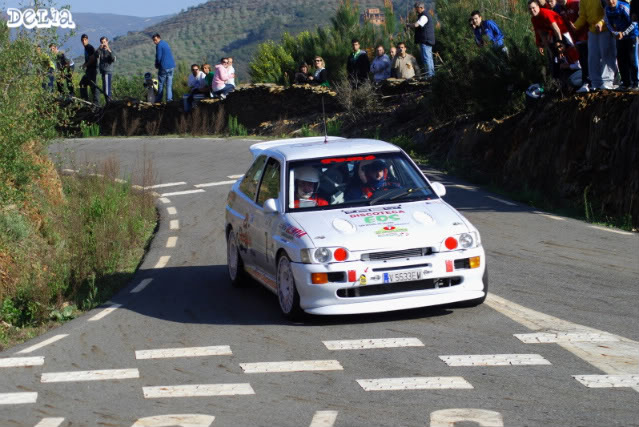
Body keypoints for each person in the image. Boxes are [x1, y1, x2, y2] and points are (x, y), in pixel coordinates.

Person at [574, 0, 618, 90]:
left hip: (606, 29)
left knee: (607, 54)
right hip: (592, 31)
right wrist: (575, 26)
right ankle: (595, 82)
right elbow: (583, 16)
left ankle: (608, 81)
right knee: (592, 57)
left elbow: (609, 11)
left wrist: (601, 23)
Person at [555, 0, 590, 92]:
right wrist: (574, 41)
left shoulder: (575, 3)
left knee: (589, 59)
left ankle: (593, 82)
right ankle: (586, 82)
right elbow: (567, 27)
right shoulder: (560, 9)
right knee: (583, 59)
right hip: (576, 38)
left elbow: (585, 18)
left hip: (587, 35)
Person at [604, 0, 638, 91]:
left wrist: (624, 33)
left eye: (612, 0)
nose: (611, 2)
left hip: (631, 36)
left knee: (631, 59)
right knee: (621, 59)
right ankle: (626, 83)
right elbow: (607, 23)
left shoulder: (623, 7)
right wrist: (615, 33)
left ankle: (636, 82)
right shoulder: (607, 9)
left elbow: (634, 22)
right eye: (608, 0)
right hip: (619, 37)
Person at [408, 2, 435, 79]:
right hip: (426, 41)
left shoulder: (424, 16)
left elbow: (416, 25)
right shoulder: (424, 15)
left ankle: (430, 76)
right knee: (428, 59)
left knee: (427, 59)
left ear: (421, 8)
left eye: (416, 8)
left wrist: (409, 25)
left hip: (426, 41)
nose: (416, 10)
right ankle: (430, 75)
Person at [152, 33, 175, 102]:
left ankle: (159, 99)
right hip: (171, 66)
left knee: (161, 84)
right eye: (153, 40)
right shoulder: (165, 43)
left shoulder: (159, 45)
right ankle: (169, 99)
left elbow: (159, 57)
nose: (154, 42)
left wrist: (157, 64)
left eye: (155, 40)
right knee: (169, 84)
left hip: (164, 67)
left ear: (159, 38)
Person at [79, 34, 99, 103]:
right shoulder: (86, 48)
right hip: (88, 70)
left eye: (85, 40)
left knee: (93, 87)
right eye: (82, 40)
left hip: (92, 70)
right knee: (82, 83)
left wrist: (85, 65)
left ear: (87, 40)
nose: (83, 41)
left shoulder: (89, 47)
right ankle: (85, 101)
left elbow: (92, 59)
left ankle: (96, 103)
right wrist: (83, 65)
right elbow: (87, 60)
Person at [95, 36, 115, 102]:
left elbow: (112, 58)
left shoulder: (110, 51)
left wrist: (108, 49)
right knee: (105, 89)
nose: (103, 44)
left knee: (107, 90)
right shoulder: (101, 51)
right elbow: (95, 55)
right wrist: (99, 48)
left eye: (104, 42)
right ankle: (108, 103)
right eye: (102, 42)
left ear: (107, 42)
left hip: (107, 71)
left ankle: (109, 103)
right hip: (103, 72)